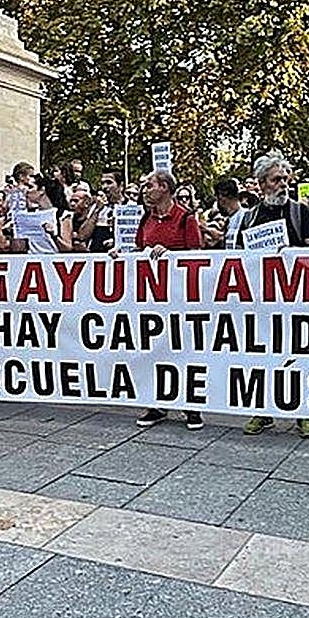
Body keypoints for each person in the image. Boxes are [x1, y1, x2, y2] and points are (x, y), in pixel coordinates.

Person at [236, 153, 309, 439]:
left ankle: (304, 413)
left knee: (300, 355)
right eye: (276, 180)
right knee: (264, 356)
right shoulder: (249, 218)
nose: (283, 184)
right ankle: (263, 410)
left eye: (285, 179)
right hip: (263, 301)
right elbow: (240, 259)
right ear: (261, 185)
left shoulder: (301, 213)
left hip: (297, 298)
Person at [133, 170, 206, 431]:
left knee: (183, 350)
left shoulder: (186, 219)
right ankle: (157, 402)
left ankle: (192, 405)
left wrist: (172, 255)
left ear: (164, 187)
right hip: (153, 299)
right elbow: (138, 252)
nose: (145, 189)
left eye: (149, 185)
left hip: (180, 299)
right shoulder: (146, 219)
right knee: (155, 350)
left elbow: (196, 257)